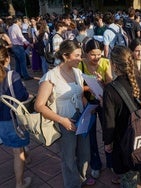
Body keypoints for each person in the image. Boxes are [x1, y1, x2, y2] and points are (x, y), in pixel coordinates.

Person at [34, 40, 91, 187]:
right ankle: (72, 184)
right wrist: (62, 120)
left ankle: (82, 178)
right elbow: (39, 105)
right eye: (77, 55)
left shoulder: (78, 72)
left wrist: (88, 109)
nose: (81, 58)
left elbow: (81, 96)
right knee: (69, 158)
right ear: (66, 56)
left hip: (81, 119)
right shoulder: (51, 76)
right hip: (64, 121)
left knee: (85, 153)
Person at [102, 45, 141, 187]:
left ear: (113, 65)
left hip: (124, 143)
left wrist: (108, 142)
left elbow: (109, 122)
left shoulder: (110, 89)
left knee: (128, 178)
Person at [78, 39, 113, 181]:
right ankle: (95, 165)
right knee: (91, 135)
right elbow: (78, 87)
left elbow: (110, 86)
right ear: (86, 54)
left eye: (99, 54)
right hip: (88, 102)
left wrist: (101, 82)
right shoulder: (80, 64)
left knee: (108, 132)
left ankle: (111, 162)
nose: (96, 57)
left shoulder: (105, 63)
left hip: (104, 101)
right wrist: (88, 89)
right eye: (93, 54)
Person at [0, 46, 32, 188]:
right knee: (17, 152)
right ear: (7, 58)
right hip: (14, 120)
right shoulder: (12, 75)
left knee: (16, 149)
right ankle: (20, 183)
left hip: (1, 122)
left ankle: (26, 155)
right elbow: (23, 96)